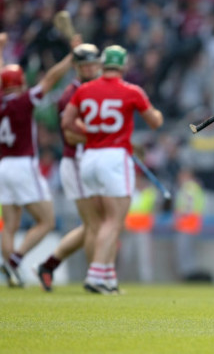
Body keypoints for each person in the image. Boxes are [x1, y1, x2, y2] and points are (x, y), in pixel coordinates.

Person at [62, 45, 163, 294]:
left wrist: (91, 131)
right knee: (114, 221)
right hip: (114, 158)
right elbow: (155, 122)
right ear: (124, 65)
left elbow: (66, 122)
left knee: (100, 221)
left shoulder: (84, 89)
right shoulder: (131, 91)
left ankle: (108, 278)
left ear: (102, 64)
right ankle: (96, 274)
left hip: (88, 158)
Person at [0, 32, 79, 288]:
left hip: (3, 166)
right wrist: (71, 56)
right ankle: (14, 261)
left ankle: (12, 273)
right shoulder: (23, 100)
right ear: (20, 83)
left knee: (9, 225)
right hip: (23, 164)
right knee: (47, 221)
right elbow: (50, 79)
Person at [34, 43, 102, 292]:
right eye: (85, 65)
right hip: (76, 162)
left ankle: (49, 265)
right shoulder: (68, 95)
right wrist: (104, 137)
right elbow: (70, 136)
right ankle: (97, 279)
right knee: (96, 225)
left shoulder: (98, 90)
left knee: (96, 224)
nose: (91, 68)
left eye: (94, 63)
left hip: (94, 162)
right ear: (76, 67)